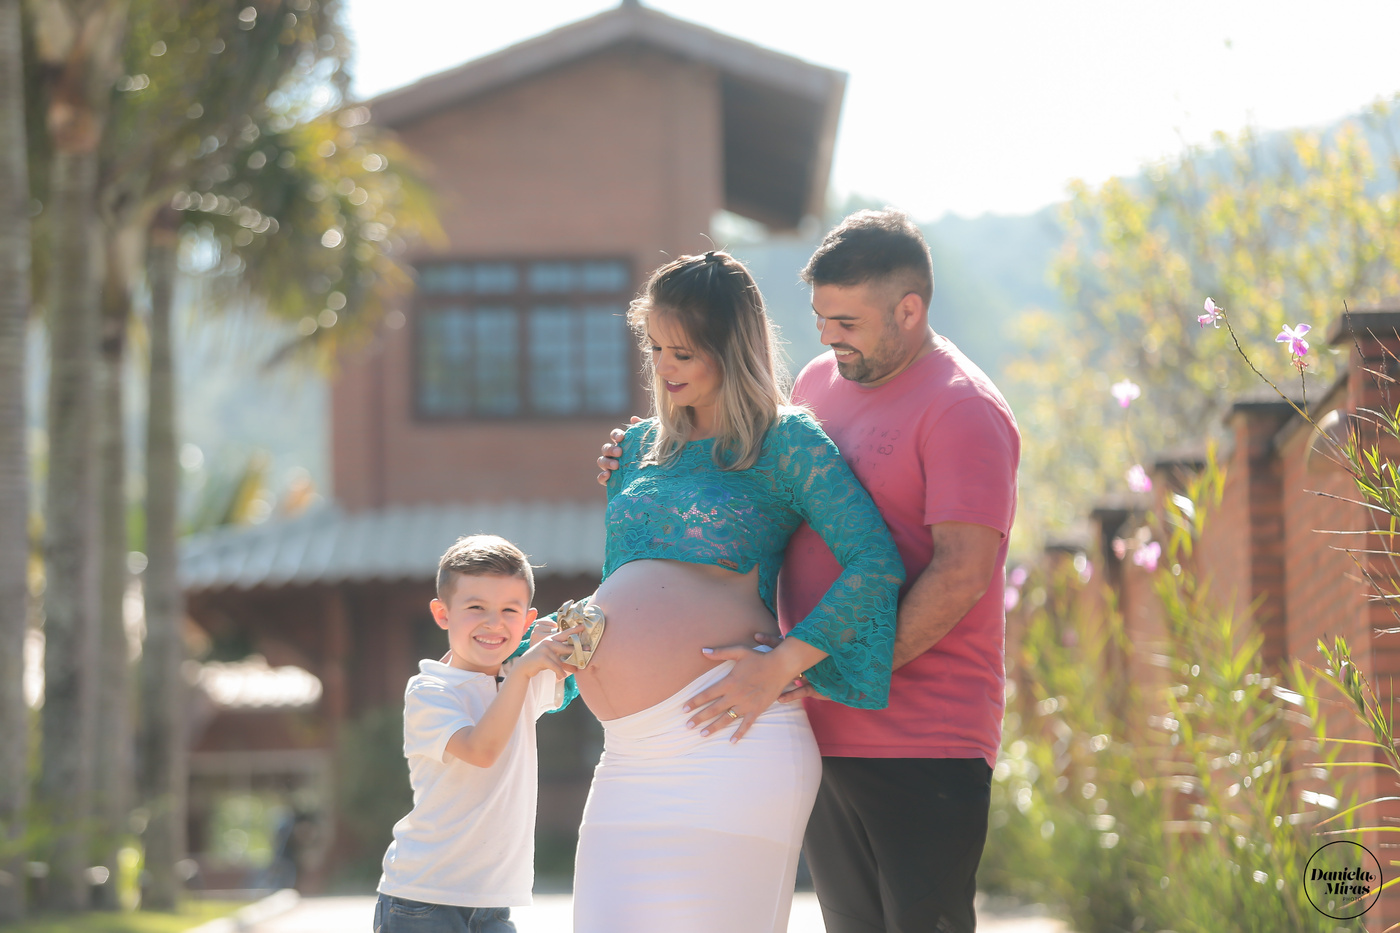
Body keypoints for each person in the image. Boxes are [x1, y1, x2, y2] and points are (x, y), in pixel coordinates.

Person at [598, 210, 1019, 933]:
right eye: (822, 317)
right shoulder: (823, 381)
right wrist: (645, 462)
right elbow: (751, 486)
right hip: (811, 723)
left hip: (924, 735)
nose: (826, 336)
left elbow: (961, 575)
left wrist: (809, 666)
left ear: (909, 310)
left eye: (847, 321)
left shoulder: (963, 408)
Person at [570, 251, 904, 933]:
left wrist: (785, 663)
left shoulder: (786, 441)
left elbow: (874, 562)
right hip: (628, 754)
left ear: (730, 347)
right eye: (654, 347)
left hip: (731, 738)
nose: (664, 366)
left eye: (683, 352)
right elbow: (624, 580)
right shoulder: (637, 449)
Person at [374, 535, 577, 933]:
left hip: (493, 905)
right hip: (423, 901)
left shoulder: (520, 676)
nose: (493, 623)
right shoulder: (430, 690)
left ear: (526, 620)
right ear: (443, 613)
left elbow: (587, 652)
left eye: (509, 611)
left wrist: (563, 638)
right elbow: (481, 750)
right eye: (475, 608)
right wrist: (524, 668)